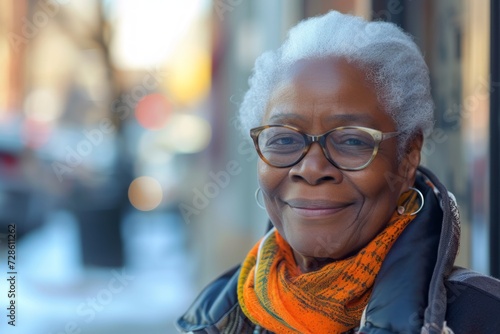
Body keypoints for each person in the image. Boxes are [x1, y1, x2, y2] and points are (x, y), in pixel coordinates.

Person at [176, 11, 500, 334]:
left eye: (351, 140)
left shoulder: (482, 317)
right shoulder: (216, 317)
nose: (312, 169)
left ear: (407, 158)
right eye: (285, 139)